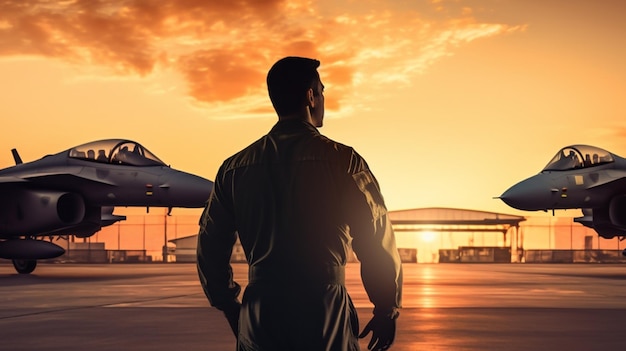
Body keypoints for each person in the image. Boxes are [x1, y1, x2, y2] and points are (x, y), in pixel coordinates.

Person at [197, 56, 403, 351]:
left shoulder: (233, 168)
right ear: (310, 96)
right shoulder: (344, 162)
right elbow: (374, 238)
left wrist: (228, 304)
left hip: (260, 312)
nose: (322, 99)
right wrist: (386, 306)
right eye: (321, 91)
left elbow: (210, 244)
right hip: (323, 309)